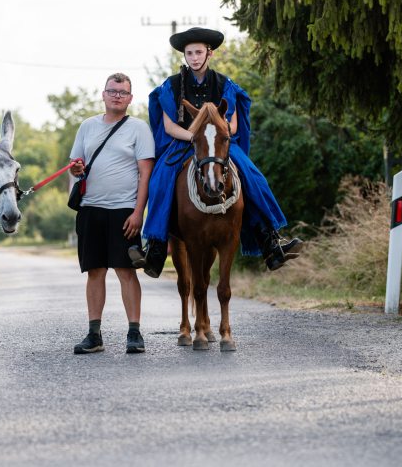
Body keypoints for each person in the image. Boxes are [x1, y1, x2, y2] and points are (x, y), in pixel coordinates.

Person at [129, 27, 302, 277]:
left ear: (209, 54)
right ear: (185, 56)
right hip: (184, 142)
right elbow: (168, 126)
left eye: (199, 52)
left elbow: (231, 125)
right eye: (189, 53)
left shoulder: (224, 84)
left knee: (253, 177)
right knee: (159, 179)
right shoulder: (172, 85)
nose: (194, 57)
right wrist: (195, 137)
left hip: (218, 143)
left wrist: (212, 138)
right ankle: (155, 248)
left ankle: (270, 242)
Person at [69, 72, 155, 355]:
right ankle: (94, 335)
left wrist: (138, 212)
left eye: (122, 92)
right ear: (103, 95)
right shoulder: (87, 126)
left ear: (130, 98)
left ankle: (134, 332)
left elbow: (145, 175)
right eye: (112, 91)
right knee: (94, 271)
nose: (117, 96)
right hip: (91, 209)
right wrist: (77, 169)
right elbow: (75, 164)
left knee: (126, 270)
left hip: (124, 211)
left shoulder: (139, 129)